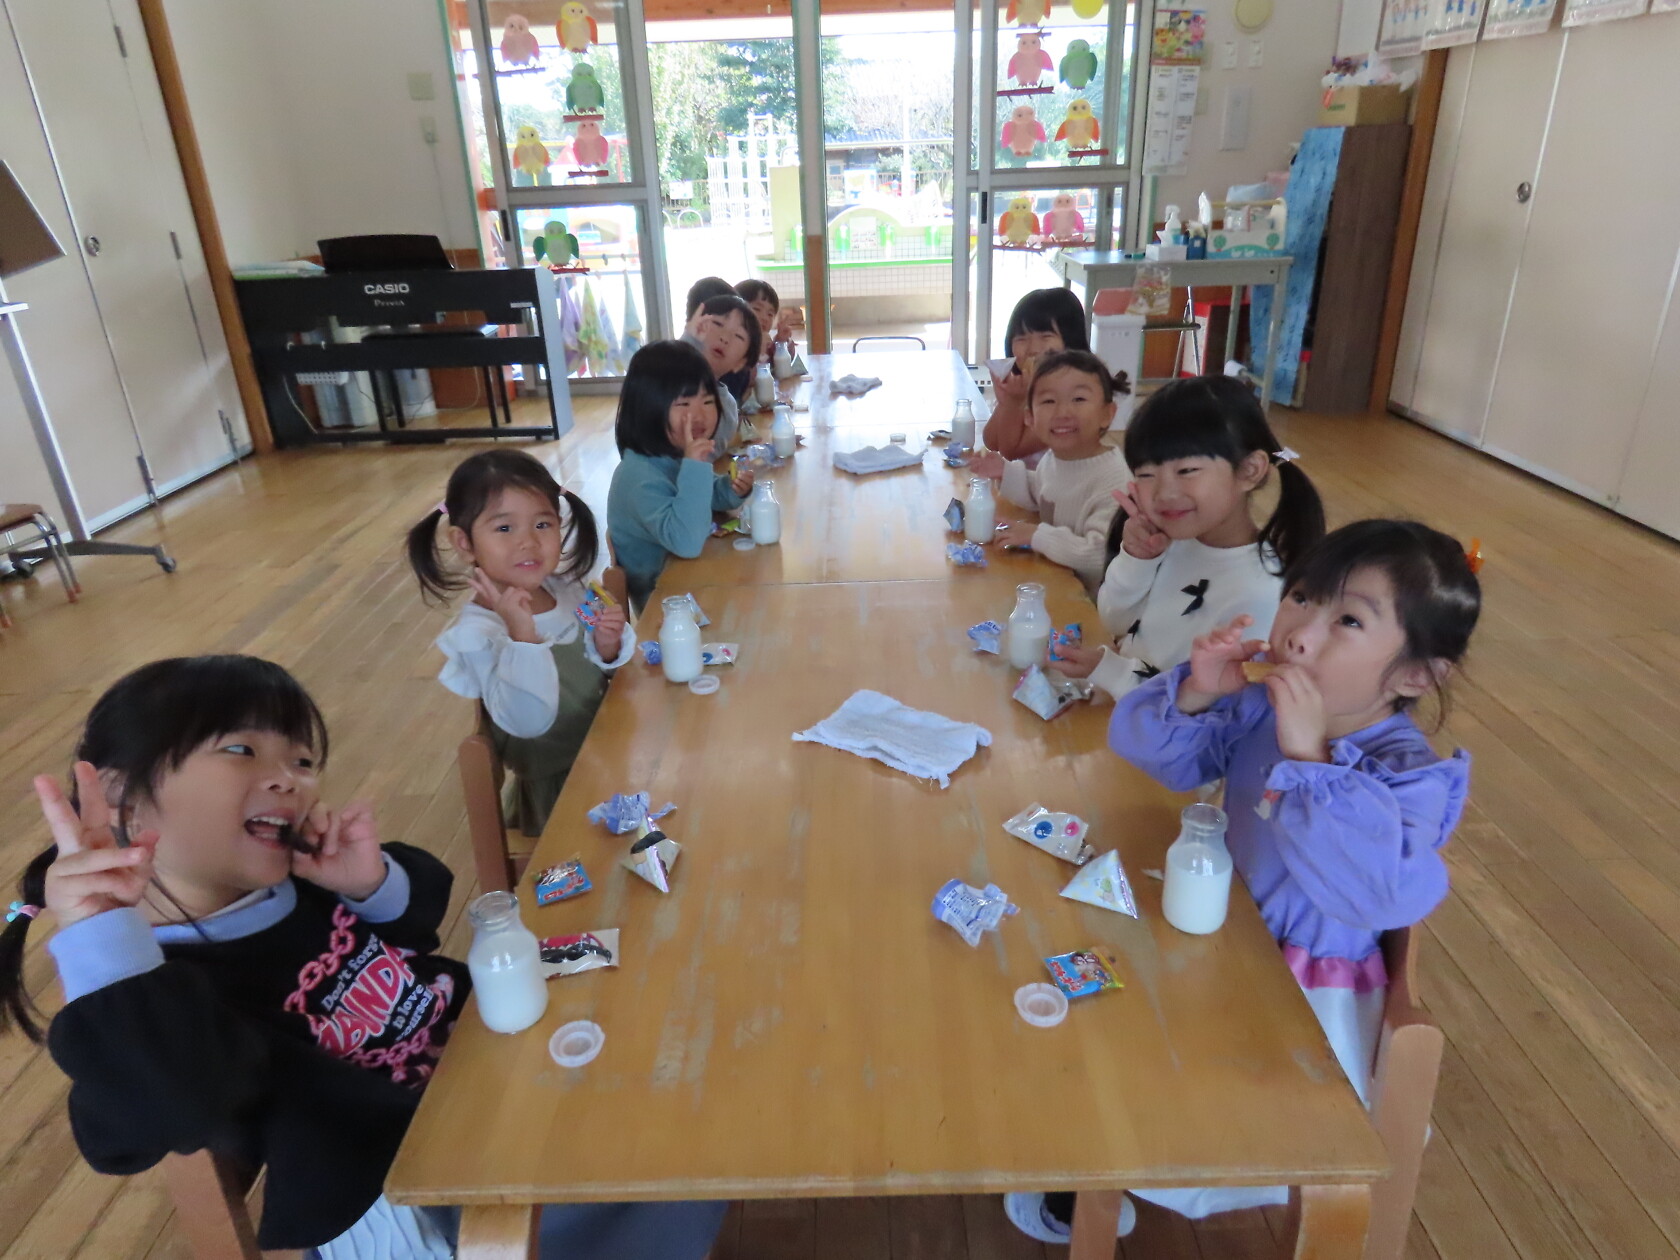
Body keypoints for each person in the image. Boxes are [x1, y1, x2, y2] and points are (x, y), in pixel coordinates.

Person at [0, 656, 727, 1259]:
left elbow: (416, 925)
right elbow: (154, 1111)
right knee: (674, 1148)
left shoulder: (293, 886)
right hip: (406, 1193)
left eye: (302, 759)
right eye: (241, 750)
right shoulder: (156, 995)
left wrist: (368, 883)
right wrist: (105, 939)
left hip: (479, 1083)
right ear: (121, 794)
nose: (289, 777)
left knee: (673, 1053)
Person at [1006, 519, 1481, 1244]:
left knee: (1184, 1100)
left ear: (1417, 675)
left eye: (1348, 620)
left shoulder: (1409, 774)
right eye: (1302, 597)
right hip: (1223, 935)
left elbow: (1379, 892)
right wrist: (1200, 692)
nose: (1301, 632)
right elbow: (1159, 758)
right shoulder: (1260, 707)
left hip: (1299, 997)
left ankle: (1111, 1166)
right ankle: (1097, 1150)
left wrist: (1309, 758)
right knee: (1069, 992)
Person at [1054, 374, 1326, 700]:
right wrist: (1137, 559)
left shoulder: (1261, 592)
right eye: (1146, 474)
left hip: (1157, 721)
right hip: (1125, 705)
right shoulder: (1173, 539)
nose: (1164, 493)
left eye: (1186, 471)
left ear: (1249, 471)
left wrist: (1111, 670)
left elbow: (1204, 703)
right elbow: (1115, 621)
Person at [407, 450, 633, 837]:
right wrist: (523, 638)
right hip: (562, 792)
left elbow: (608, 659)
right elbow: (528, 722)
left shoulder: (570, 589)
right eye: (504, 528)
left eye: (542, 524)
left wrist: (608, 644)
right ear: (464, 542)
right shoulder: (477, 635)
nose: (528, 541)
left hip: (613, 751)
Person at [608, 340, 754, 611]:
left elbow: (702, 496)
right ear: (648, 408)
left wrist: (732, 489)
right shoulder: (639, 477)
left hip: (692, 582)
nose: (699, 415)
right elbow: (687, 541)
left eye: (708, 401)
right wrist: (695, 466)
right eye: (684, 403)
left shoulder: (671, 454)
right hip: (665, 605)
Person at [968, 349, 1131, 587]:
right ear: (1030, 418)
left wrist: (1036, 535)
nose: (1063, 412)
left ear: (1107, 414)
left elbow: (1100, 555)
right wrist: (1006, 472)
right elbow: (1045, 494)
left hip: (1090, 598)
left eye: (1079, 399)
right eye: (1048, 401)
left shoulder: (1114, 481)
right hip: (1055, 576)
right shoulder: (1055, 459)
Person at [981, 287, 1090, 462]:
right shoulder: (1027, 385)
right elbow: (992, 442)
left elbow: (1010, 451)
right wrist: (1005, 402)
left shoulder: (1070, 395)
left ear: (1071, 340)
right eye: (1021, 339)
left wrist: (1013, 402)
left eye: (1046, 336)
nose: (1032, 349)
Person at [682, 294, 764, 458]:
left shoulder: (727, 409)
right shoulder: (665, 379)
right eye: (718, 323)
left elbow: (707, 457)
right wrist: (688, 343)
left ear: (740, 363)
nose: (725, 338)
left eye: (739, 336)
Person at [734, 278, 797, 365]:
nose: (765, 318)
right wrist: (760, 352)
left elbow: (783, 364)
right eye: (757, 309)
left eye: (770, 314)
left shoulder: (767, 342)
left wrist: (781, 343)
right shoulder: (731, 343)